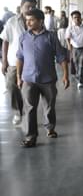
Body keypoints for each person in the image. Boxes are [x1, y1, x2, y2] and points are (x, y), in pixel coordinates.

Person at [16, 9, 69, 148]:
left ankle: (50, 127)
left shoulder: (51, 37)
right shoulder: (23, 37)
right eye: (26, 20)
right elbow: (20, 58)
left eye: (31, 20)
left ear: (40, 21)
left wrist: (65, 75)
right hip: (28, 79)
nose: (28, 22)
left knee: (49, 106)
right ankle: (30, 137)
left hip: (48, 79)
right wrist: (18, 76)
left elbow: (61, 57)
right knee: (29, 108)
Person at [1, 0, 37, 125]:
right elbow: (5, 41)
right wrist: (4, 60)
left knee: (29, 90)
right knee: (11, 86)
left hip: (31, 63)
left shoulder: (37, 21)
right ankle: (17, 111)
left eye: (33, 7)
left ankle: (28, 113)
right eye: (28, 6)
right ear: (21, 7)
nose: (30, 9)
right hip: (13, 62)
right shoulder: (12, 22)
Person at [65, 10, 83, 88]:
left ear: (81, 18)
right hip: (75, 48)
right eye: (75, 17)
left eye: (78, 17)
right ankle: (79, 76)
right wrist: (69, 45)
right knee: (76, 63)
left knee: (82, 63)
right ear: (72, 19)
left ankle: (80, 81)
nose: (77, 19)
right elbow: (67, 37)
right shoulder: (70, 28)